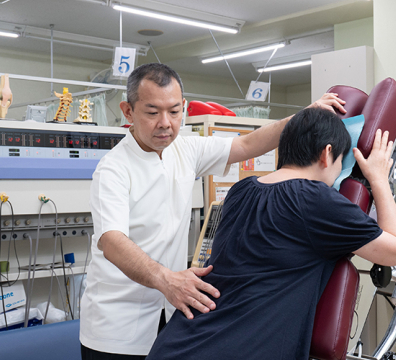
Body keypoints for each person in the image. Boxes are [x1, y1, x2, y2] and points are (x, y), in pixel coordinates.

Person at [79, 63, 345, 359]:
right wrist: (167, 279)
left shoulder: (186, 150)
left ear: (184, 108)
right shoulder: (113, 168)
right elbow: (112, 241)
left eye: (174, 111)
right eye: (152, 113)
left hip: (169, 314)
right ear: (128, 111)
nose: (165, 123)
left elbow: (246, 144)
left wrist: (304, 118)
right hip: (115, 329)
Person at [147, 107, 396, 360]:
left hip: (177, 342)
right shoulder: (316, 198)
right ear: (327, 153)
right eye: (340, 164)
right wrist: (377, 178)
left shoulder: (240, 191)